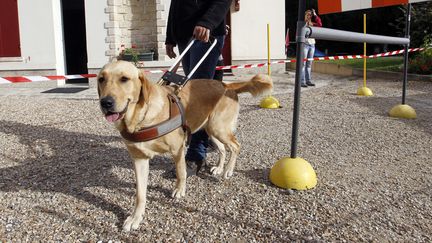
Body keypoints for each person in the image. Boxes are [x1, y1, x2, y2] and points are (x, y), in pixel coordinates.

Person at [165, 0, 232, 176]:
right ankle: (206, 137)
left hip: (205, 33)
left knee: (197, 96)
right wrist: (170, 38)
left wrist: (207, 22)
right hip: (185, 34)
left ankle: (196, 154)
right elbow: (176, 5)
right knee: (189, 91)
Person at [301, 9, 322, 88]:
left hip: (312, 44)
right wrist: (305, 18)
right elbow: (304, 23)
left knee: (309, 64)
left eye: (310, 15)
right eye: (308, 14)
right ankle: (302, 81)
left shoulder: (312, 24)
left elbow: (320, 24)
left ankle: (308, 80)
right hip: (305, 45)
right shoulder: (302, 23)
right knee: (303, 64)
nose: (309, 16)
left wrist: (315, 14)